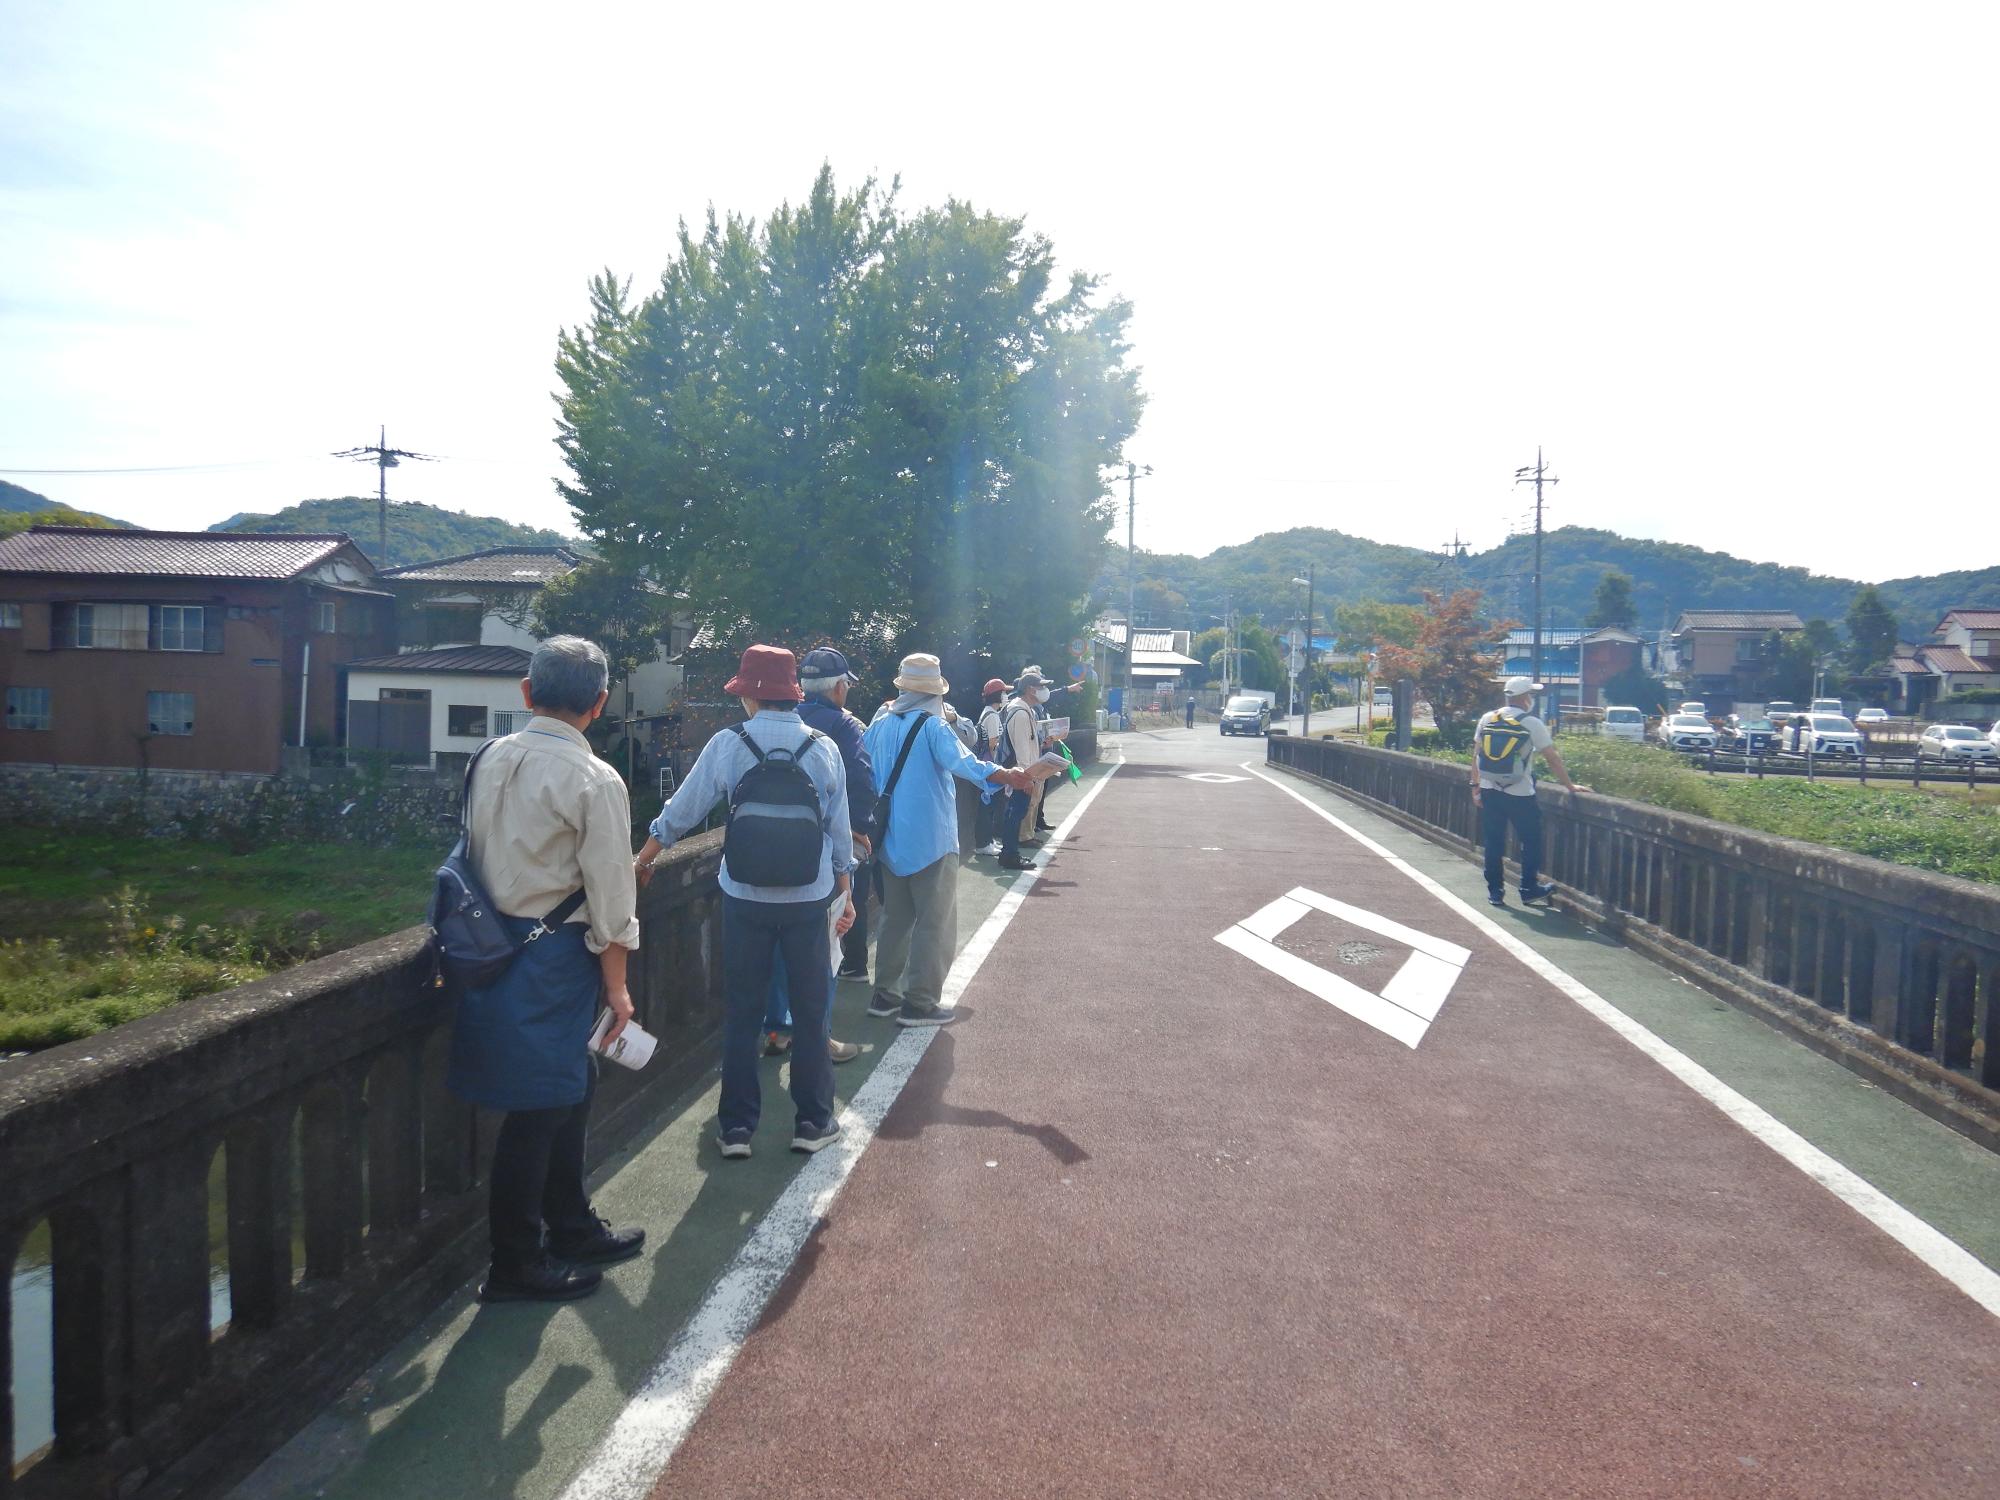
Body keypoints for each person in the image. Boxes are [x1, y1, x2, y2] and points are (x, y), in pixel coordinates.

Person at [447, 636, 645, 1304]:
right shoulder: (595, 779)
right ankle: (515, 1262)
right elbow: (613, 898)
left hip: (486, 946)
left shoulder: (488, 756)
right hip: (554, 955)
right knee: (541, 1107)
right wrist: (618, 987)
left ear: (526, 693)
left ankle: (569, 1223)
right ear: (600, 702)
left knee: (566, 1088)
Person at [634, 645, 854, 1159]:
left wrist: (644, 859)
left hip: (744, 897)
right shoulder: (822, 747)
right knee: (810, 1006)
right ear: (792, 694)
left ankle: (736, 1128)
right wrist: (845, 895)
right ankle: (813, 1122)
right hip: (807, 897)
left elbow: (682, 809)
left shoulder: (729, 744)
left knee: (743, 1012)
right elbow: (839, 835)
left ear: (751, 696)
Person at [861, 654, 1030, 1025]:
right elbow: (966, 764)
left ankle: (884, 993)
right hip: (932, 838)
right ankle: (920, 1002)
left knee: (895, 919)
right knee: (934, 922)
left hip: (889, 839)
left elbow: (861, 769)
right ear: (934, 692)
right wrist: (1005, 774)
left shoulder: (879, 726)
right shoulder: (933, 727)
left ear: (903, 688)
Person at [762, 646, 875, 1060]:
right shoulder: (844, 727)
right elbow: (861, 782)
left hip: (764, 854)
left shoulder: (777, 721)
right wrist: (859, 831)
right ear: (840, 687)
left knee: (775, 948)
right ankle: (819, 1036)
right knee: (823, 949)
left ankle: (778, 1030)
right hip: (820, 857)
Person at [1470, 676, 1584, 909]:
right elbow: (1552, 757)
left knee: (1493, 842)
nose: (1531, 699)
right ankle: (1528, 888)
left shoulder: (1487, 719)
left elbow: (1477, 755)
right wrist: (1569, 786)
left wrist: (1475, 787)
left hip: (1491, 789)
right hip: (1520, 792)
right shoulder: (1531, 723)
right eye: (1530, 695)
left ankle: (1495, 892)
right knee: (1530, 840)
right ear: (1524, 698)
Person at [997, 668, 1053, 870]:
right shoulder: (1020, 712)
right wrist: (1027, 777)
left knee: (1015, 813)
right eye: (1041, 687)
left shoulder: (1022, 709)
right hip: (1021, 775)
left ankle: (1009, 853)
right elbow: (1021, 749)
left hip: (1021, 774)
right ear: (1030, 689)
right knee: (1015, 814)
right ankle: (1010, 855)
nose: (1044, 690)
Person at [972, 677, 1010, 855]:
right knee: (987, 807)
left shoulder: (986, 712)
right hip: (990, 767)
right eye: (1003, 693)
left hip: (984, 765)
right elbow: (993, 744)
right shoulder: (993, 716)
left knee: (987, 806)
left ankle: (987, 841)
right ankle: (983, 844)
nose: (1006, 696)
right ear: (997, 695)